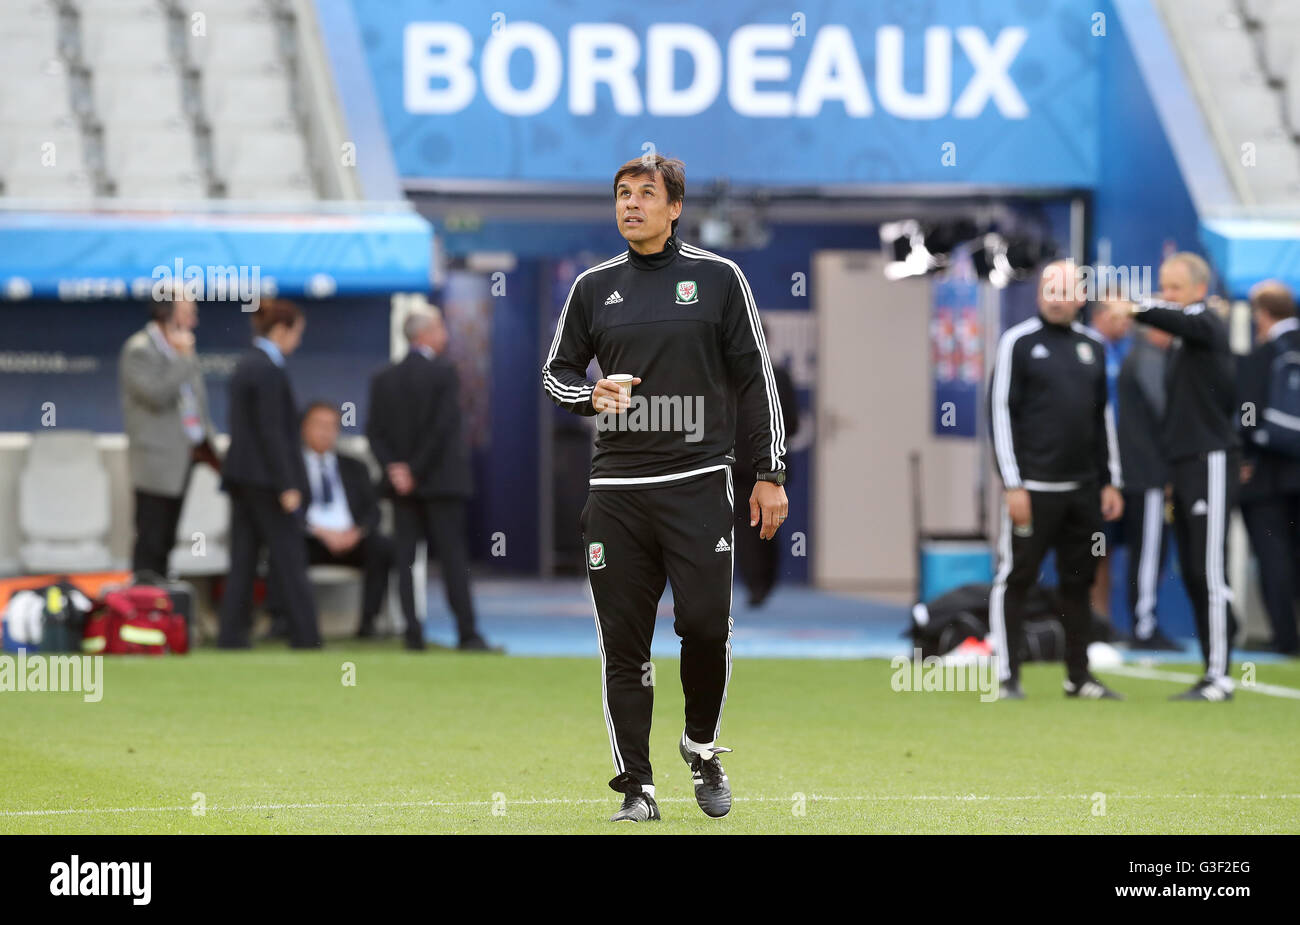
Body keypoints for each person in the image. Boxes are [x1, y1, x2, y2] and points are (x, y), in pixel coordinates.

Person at [542, 154, 788, 823]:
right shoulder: (593, 288)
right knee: (624, 644)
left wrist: (769, 473)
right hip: (617, 491)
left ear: (675, 206)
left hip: (698, 485)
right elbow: (556, 374)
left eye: (646, 194)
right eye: (622, 194)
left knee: (705, 627)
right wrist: (593, 394)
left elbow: (756, 379)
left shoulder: (718, 279)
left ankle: (701, 745)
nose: (631, 204)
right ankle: (638, 786)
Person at [987, 260, 1125, 701]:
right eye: (1050, 289)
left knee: (1079, 581)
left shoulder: (1093, 346)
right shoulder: (1018, 343)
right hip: (1032, 491)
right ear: (1039, 293)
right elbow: (1000, 414)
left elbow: (1102, 417)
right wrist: (1013, 484)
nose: (1057, 298)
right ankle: (1008, 676)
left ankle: (1078, 676)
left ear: (1080, 298)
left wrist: (1109, 481)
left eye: (1066, 291)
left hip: (1083, 491)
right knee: (1017, 577)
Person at [1125, 252, 1239, 699]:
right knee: (1193, 569)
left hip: (1210, 461)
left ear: (1197, 288)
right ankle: (1212, 668)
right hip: (1186, 465)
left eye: (1174, 288)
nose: (1165, 295)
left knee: (1210, 570)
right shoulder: (1181, 343)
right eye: (1162, 286)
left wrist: (1133, 305)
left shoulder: (1207, 321)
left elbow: (1181, 319)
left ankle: (1220, 675)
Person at [366, 306, 496, 653]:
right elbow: (442, 429)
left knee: (406, 559)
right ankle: (467, 634)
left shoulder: (382, 377)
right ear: (423, 333)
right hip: (441, 484)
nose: (446, 334)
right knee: (453, 560)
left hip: (402, 488)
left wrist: (397, 469)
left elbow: (374, 432)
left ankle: (413, 635)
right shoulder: (445, 373)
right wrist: (416, 470)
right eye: (440, 327)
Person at [217, 299, 321, 650]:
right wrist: (287, 484)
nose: (299, 341)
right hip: (267, 483)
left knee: (244, 560)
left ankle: (231, 635)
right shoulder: (267, 370)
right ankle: (306, 636)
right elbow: (272, 432)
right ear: (280, 330)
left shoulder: (248, 365)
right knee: (290, 557)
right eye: (297, 333)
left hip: (243, 479)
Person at [273, 401, 394, 639]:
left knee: (382, 547)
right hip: (310, 538)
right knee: (284, 546)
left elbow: (373, 511)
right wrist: (319, 531)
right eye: (319, 425)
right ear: (304, 429)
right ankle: (283, 622)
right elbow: (284, 511)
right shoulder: (290, 468)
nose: (325, 432)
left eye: (331, 426)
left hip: (351, 539)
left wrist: (356, 532)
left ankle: (369, 623)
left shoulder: (355, 467)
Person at [119, 292, 219, 577]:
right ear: (167, 314)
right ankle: (142, 603)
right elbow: (157, 395)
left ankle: (160, 605)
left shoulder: (183, 348)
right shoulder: (139, 349)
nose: (194, 321)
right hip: (156, 463)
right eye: (189, 313)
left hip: (187, 455)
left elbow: (195, 400)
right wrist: (182, 358)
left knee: (167, 539)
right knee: (151, 538)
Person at [1236, 280, 1300, 656]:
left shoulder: (1263, 356)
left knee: (1273, 558)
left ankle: (1286, 640)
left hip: (1266, 479)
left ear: (1261, 313)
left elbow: (1247, 415)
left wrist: (1246, 455)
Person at [1116, 323, 1180, 650]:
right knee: (1149, 552)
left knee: (1150, 551)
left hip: (1146, 472)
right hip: (1149, 474)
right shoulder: (1148, 359)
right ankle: (1143, 626)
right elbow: (1165, 410)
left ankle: (1145, 622)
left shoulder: (1142, 356)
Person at [733, 326, 798, 607]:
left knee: (760, 522)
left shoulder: (777, 377)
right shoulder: (732, 378)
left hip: (766, 467)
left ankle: (762, 582)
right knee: (753, 525)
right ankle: (759, 582)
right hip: (744, 466)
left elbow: (792, 423)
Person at [1086, 300, 1134, 620]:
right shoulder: (1088, 350)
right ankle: (1089, 619)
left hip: (1117, 464)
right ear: (1101, 315)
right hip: (1090, 466)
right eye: (1119, 316)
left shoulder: (1121, 351)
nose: (1126, 323)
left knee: (1106, 548)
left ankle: (1100, 619)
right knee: (1092, 547)